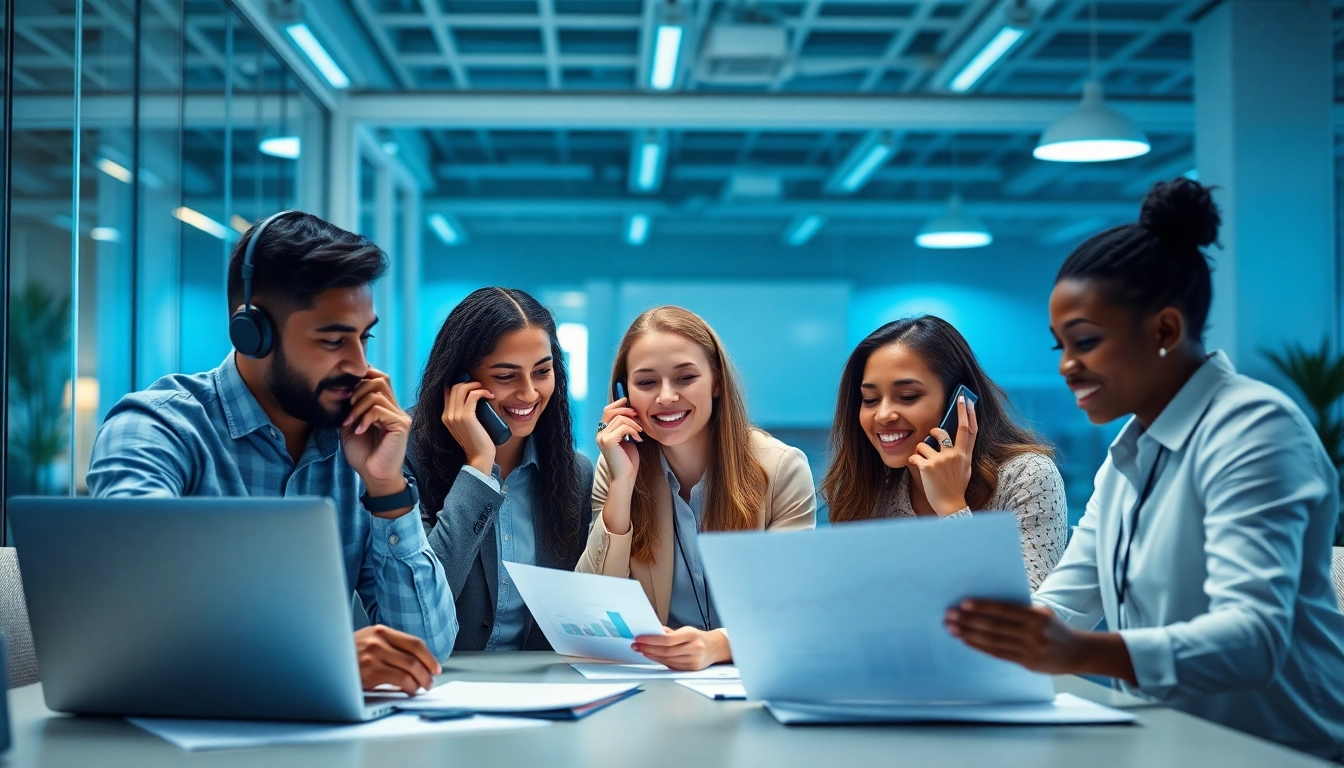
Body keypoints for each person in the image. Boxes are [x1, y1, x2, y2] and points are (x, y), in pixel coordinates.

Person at [944, 178, 1344, 760]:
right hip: (1172, 742)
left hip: (1279, 749)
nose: (1068, 367)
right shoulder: (1131, 452)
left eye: (1085, 342)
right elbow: (1064, 602)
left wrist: (1080, 653)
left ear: (1165, 330)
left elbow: (1254, 637)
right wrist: (967, 635)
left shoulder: (1255, 430)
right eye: (1060, 347)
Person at [86, 210, 455, 695]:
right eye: (332, 340)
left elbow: (423, 648)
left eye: (364, 337)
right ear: (252, 332)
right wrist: (322, 658)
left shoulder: (358, 444)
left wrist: (386, 488)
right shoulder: (156, 428)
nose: (361, 365)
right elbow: (132, 603)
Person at [577, 306, 816, 671]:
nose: (667, 397)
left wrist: (715, 645)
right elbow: (592, 608)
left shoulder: (781, 468)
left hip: (752, 677)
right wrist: (622, 484)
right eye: (646, 383)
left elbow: (795, 606)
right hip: (653, 683)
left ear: (716, 381)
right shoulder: (616, 467)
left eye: (685, 377)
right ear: (625, 396)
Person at [408, 287, 593, 651]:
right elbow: (421, 608)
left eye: (542, 371)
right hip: (438, 682)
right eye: (506, 376)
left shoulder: (574, 475)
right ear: (460, 382)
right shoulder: (404, 457)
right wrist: (478, 469)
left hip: (538, 687)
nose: (529, 393)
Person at [820, 316, 1067, 589]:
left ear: (959, 402)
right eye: (870, 400)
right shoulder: (872, 491)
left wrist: (951, 506)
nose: (884, 414)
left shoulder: (1027, 475)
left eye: (908, 396)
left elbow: (1025, 616)